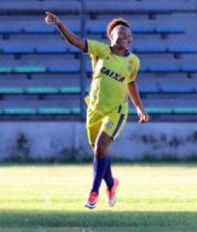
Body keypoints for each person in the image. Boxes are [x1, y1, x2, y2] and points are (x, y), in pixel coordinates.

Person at [45, 11, 149, 209]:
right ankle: (111, 184)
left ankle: (93, 193)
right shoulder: (100, 50)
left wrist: (139, 108)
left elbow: (131, 83)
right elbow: (75, 41)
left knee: (101, 147)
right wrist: (59, 23)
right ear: (111, 37)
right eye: (121, 34)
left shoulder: (133, 61)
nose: (127, 38)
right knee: (100, 151)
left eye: (129, 35)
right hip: (94, 110)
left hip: (116, 112)